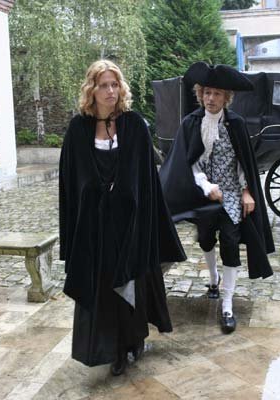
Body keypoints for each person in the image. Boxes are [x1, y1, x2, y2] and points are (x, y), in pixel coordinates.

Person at [59, 60, 186, 376]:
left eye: (115, 84)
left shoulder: (134, 126)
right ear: (92, 89)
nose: (110, 91)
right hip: (95, 226)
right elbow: (70, 183)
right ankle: (113, 348)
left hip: (131, 223)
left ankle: (134, 339)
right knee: (103, 288)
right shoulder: (78, 130)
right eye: (103, 85)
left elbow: (146, 180)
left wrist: (128, 199)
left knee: (132, 282)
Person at [159, 62, 274, 334]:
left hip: (231, 194)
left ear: (226, 98)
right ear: (201, 94)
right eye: (207, 93)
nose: (211, 98)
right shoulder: (191, 123)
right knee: (206, 238)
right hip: (202, 193)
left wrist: (246, 191)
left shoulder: (236, 124)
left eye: (217, 94)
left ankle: (227, 304)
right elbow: (188, 162)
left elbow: (243, 162)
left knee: (231, 243)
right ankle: (213, 278)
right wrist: (205, 185)